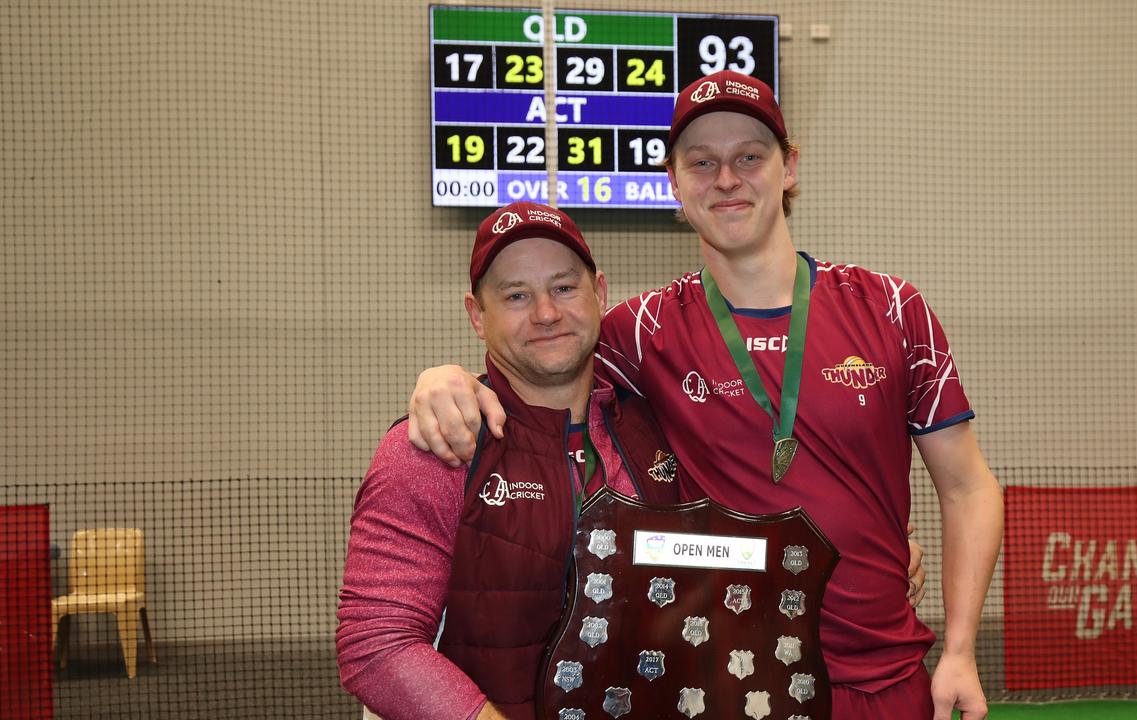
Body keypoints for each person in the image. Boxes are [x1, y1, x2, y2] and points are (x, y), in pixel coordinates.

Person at [406, 71, 1003, 720]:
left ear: (789, 167)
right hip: (723, 685)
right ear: (674, 184)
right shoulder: (641, 331)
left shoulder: (892, 309)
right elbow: (539, 359)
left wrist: (962, 650)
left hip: (883, 680)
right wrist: (450, 379)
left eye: (749, 157)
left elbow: (968, 487)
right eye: (702, 163)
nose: (725, 179)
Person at [335, 202, 685, 720]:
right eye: (516, 295)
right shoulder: (438, 445)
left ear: (601, 293)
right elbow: (376, 644)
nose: (546, 312)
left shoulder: (657, 426)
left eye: (564, 287)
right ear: (477, 316)